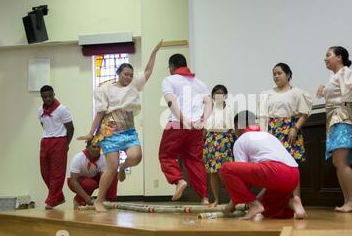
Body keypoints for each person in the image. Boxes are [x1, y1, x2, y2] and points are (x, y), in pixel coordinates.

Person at [78, 40, 162, 212]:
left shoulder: (134, 85)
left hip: (129, 130)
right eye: (126, 74)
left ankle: (124, 167)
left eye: (131, 75)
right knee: (111, 167)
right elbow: (100, 113)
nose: (129, 77)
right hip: (109, 131)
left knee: (136, 156)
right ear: (119, 73)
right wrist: (90, 133)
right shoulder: (106, 90)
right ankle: (99, 201)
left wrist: (154, 52)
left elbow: (147, 71)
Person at [316, 46, 352, 213]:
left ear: (339, 57)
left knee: (340, 162)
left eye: (328, 55)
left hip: (342, 118)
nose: (325, 59)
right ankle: (348, 200)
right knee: (337, 162)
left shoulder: (345, 71)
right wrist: (322, 89)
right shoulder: (332, 77)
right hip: (333, 120)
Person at [221, 111, 303, 220]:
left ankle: (255, 206)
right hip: (293, 176)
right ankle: (293, 203)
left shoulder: (241, 140)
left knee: (226, 169)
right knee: (268, 209)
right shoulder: (268, 135)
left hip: (276, 172)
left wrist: (233, 203)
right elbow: (270, 174)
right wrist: (257, 199)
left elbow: (243, 180)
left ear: (237, 126)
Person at [259, 62, 312, 218]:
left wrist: (295, 128)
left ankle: (297, 200)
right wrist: (264, 136)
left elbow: (305, 113)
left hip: (290, 130)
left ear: (288, 75)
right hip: (272, 132)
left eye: (279, 73)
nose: (276, 76)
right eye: (274, 74)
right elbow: (263, 117)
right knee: (274, 168)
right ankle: (276, 203)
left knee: (292, 166)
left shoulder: (297, 92)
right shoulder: (266, 94)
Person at [159, 53, 213, 205]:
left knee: (166, 156)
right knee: (195, 161)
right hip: (196, 127)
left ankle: (178, 181)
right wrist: (203, 120)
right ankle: (204, 197)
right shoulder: (200, 83)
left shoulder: (169, 80)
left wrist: (183, 120)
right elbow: (209, 103)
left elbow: (171, 102)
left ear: (171, 67)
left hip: (177, 124)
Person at [38, 85, 74, 210]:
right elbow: (43, 126)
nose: (47, 99)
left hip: (60, 141)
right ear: (41, 97)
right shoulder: (40, 111)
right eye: (44, 97)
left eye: (50, 96)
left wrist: (66, 144)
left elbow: (71, 128)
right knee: (45, 173)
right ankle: (58, 197)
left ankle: (52, 201)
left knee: (57, 174)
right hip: (45, 141)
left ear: (54, 94)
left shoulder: (62, 109)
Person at [203, 84, 235, 207]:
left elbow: (232, 129)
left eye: (221, 93)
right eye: (216, 93)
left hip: (224, 140)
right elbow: (205, 128)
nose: (218, 95)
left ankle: (234, 198)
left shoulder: (230, 109)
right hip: (210, 140)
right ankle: (216, 199)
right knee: (213, 172)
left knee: (224, 171)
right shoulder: (208, 109)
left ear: (225, 95)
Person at [67, 141, 118, 209]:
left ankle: (107, 201)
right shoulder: (78, 158)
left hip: (92, 179)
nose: (97, 149)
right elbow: (73, 180)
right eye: (94, 147)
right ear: (87, 147)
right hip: (75, 182)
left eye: (98, 147)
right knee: (90, 183)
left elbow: (104, 179)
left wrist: (101, 198)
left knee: (112, 174)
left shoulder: (103, 158)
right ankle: (78, 201)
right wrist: (86, 198)